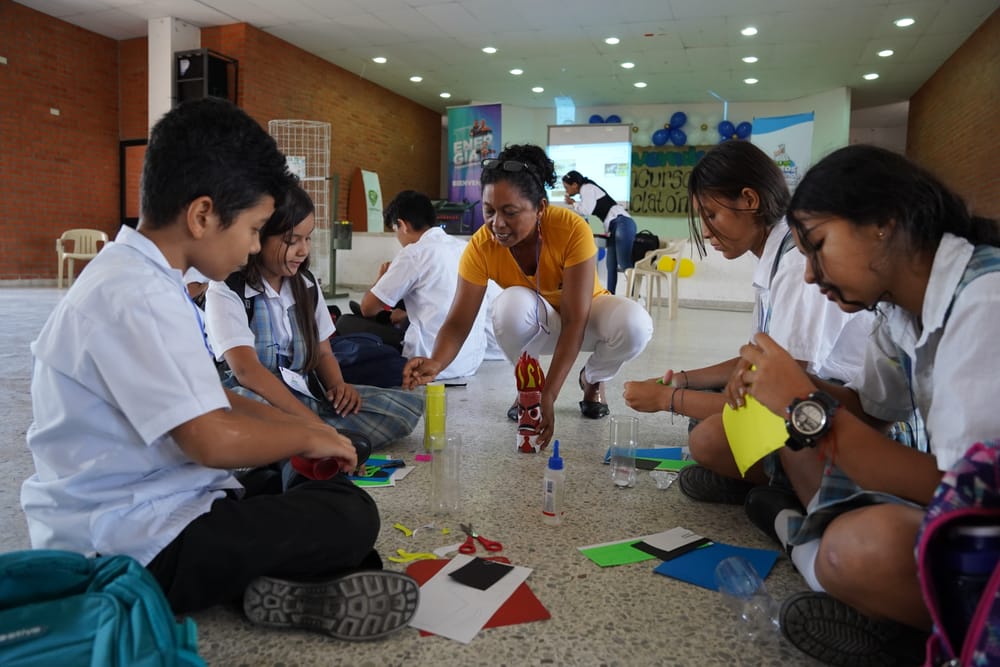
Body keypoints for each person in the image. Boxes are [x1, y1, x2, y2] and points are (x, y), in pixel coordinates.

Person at [20, 98, 419, 639]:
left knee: (304, 475)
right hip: (131, 550)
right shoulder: (134, 295)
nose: (256, 244)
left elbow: (214, 397)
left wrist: (310, 431)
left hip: (164, 505)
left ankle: (286, 583)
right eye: (256, 228)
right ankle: (294, 580)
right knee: (350, 516)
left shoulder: (148, 279)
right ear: (203, 215)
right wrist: (304, 437)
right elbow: (209, 440)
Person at [731, 144, 1000, 664]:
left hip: (976, 525)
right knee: (787, 433)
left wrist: (803, 401)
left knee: (856, 552)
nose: (809, 274)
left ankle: (804, 544)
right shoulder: (899, 310)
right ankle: (883, 604)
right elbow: (872, 408)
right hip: (955, 505)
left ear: (883, 222)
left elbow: (961, 499)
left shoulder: (984, 303)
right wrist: (785, 383)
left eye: (818, 246)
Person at [624, 140, 872, 504]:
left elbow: (782, 393)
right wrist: (685, 380)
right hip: (805, 398)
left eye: (712, 214)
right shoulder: (776, 255)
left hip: (828, 410)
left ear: (749, 200)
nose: (706, 231)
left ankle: (779, 484)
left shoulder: (793, 264)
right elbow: (758, 360)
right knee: (707, 413)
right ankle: (755, 472)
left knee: (705, 439)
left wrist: (668, 398)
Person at [403, 144, 653, 446]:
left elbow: (575, 321)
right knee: (508, 305)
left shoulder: (571, 228)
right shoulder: (481, 245)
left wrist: (551, 395)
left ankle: (594, 377)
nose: (497, 223)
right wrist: (436, 362)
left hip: (587, 317)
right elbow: (458, 322)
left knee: (635, 324)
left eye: (510, 212)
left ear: (541, 208)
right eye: (489, 210)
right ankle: (527, 387)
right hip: (540, 322)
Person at [204, 182, 423, 453]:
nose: (303, 250)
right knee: (237, 416)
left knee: (404, 408)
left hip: (304, 394)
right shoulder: (226, 289)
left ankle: (299, 447)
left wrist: (338, 386)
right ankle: (315, 441)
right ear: (258, 237)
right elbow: (247, 371)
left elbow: (323, 353)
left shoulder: (305, 284)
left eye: (308, 238)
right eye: (291, 240)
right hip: (256, 399)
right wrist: (312, 425)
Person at [358, 189, 500, 380]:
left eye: (395, 231)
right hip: (468, 363)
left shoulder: (414, 253)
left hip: (426, 364)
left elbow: (367, 308)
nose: (398, 238)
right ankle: (397, 318)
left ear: (402, 225)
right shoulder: (464, 247)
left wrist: (380, 279)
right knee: (406, 312)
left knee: (349, 323)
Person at [562, 170, 637, 294]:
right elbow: (585, 214)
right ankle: (610, 295)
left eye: (566, 187)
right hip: (614, 227)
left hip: (622, 222)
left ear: (575, 184)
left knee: (625, 264)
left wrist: (573, 203)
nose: (566, 191)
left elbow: (586, 210)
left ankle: (636, 296)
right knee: (610, 266)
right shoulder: (586, 192)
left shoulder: (587, 188)